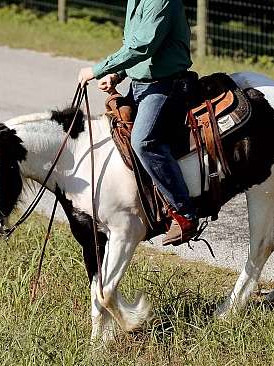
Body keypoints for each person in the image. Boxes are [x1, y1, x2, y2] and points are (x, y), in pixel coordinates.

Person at [77, 0, 198, 246]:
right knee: (114, 129)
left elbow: (143, 46)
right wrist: (117, 74)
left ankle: (184, 213)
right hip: (141, 84)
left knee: (144, 141)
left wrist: (98, 69)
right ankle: (138, 204)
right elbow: (132, 44)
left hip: (164, 84)